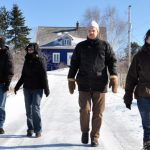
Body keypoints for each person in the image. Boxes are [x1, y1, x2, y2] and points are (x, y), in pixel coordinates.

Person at [67, 20, 118, 147]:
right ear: (87, 31)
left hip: (100, 84)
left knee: (98, 113)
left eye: (93, 30)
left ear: (97, 31)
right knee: (84, 110)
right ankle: (85, 132)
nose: (91, 32)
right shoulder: (80, 46)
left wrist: (114, 77)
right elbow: (74, 63)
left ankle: (95, 136)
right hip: (84, 83)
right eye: (89, 30)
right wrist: (71, 78)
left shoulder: (104, 45)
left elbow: (112, 61)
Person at [14, 43, 50, 138]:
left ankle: (38, 130)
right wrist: (17, 86)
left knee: (35, 108)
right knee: (28, 110)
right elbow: (23, 76)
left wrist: (46, 89)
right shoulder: (27, 60)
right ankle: (30, 128)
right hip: (27, 88)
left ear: (35, 50)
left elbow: (44, 76)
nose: (29, 51)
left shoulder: (40, 60)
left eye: (31, 49)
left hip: (38, 88)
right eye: (28, 50)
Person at [124, 29, 150, 150]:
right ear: (146, 39)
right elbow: (131, 78)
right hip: (143, 93)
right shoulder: (139, 56)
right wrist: (128, 95)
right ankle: (147, 146)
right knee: (148, 125)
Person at [0, 36, 14, 134]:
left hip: (2, 83)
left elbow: (10, 70)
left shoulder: (7, 54)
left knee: (0, 106)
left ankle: (0, 126)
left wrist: (7, 84)